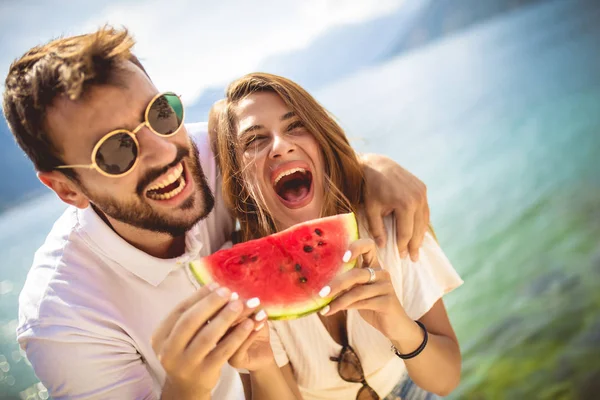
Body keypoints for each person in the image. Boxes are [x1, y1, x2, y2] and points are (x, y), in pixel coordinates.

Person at [2, 27, 432, 399]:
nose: (163, 150)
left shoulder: (210, 152)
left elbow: (306, 156)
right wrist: (186, 389)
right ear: (66, 188)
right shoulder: (62, 321)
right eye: (115, 150)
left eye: (159, 113)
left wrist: (371, 167)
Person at [212, 72, 464, 400]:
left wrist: (399, 325)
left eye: (295, 126)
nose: (281, 146)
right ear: (240, 178)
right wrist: (261, 366)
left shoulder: (386, 222)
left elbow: (445, 380)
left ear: (320, 141)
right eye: (254, 140)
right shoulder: (245, 279)